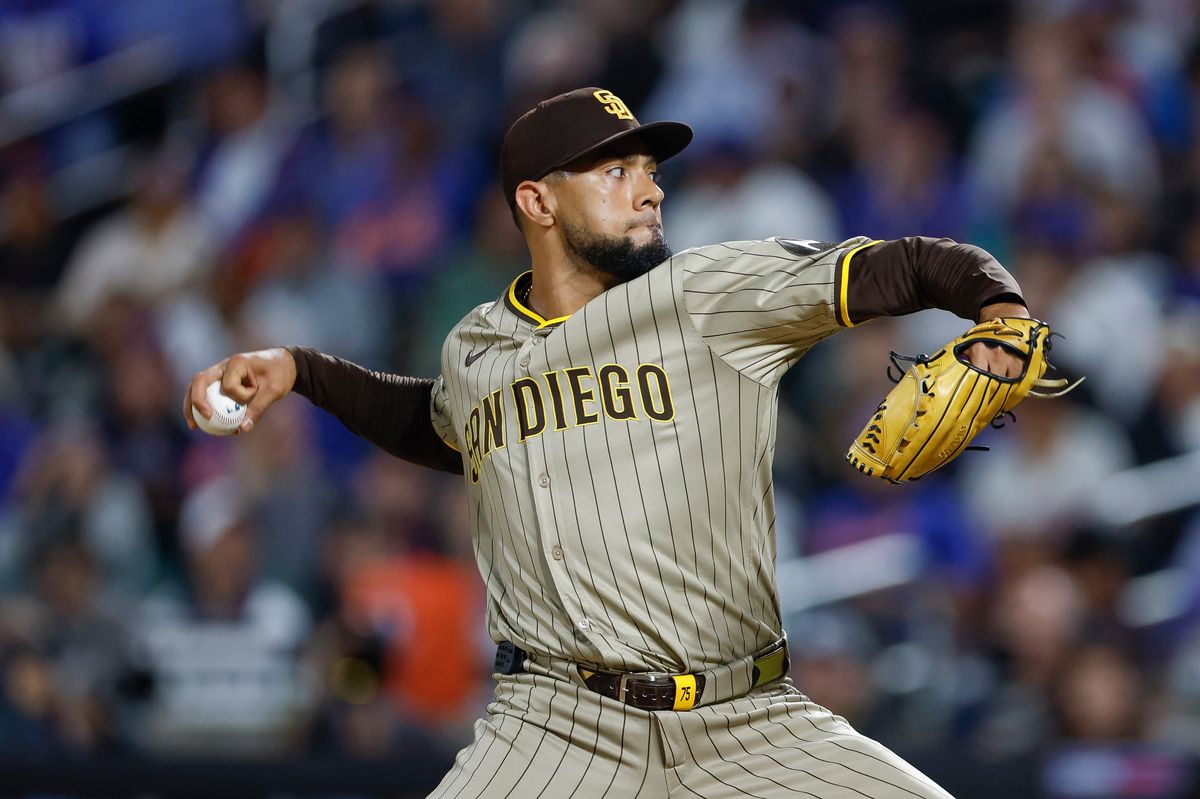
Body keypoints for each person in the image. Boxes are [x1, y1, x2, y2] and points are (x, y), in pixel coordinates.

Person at [185, 87, 1032, 798]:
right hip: (551, 725)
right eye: (617, 171)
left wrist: (999, 312)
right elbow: (445, 428)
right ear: (537, 200)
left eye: (651, 171)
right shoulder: (477, 348)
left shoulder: (709, 293)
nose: (650, 190)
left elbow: (906, 262)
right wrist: (301, 369)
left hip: (746, 716)